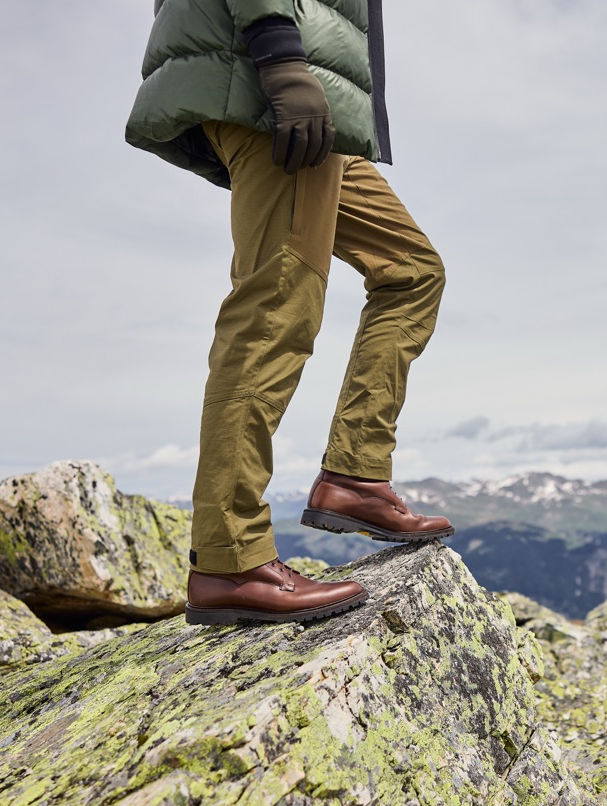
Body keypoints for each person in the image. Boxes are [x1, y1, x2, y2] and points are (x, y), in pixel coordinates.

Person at [126, 0, 453, 626]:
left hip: (315, 96)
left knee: (412, 271)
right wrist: (278, 52)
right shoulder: (277, 62)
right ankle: (229, 557)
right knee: (277, 303)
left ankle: (356, 477)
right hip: (272, 78)